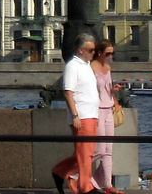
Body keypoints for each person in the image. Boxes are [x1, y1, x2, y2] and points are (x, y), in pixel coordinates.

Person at [52, 33, 101, 194]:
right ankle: (85, 188)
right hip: (82, 116)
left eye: (94, 50)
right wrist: (75, 116)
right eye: (90, 50)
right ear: (80, 50)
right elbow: (68, 92)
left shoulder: (87, 65)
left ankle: (59, 172)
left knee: (87, 152)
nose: (94, 53)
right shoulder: (73, 66)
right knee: (85, 154)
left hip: (92, 115)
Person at [91, 39, 123, 194]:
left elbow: (108, 89)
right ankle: (75, 173)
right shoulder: (91, 68)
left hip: (109, 109)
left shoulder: (108, 67)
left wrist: (115, 97)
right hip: (96, 110)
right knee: (100, 149)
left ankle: (107, 185)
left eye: (112, 53)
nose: (110, 56)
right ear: (99, 53)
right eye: (108, 53)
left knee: (108, 150)